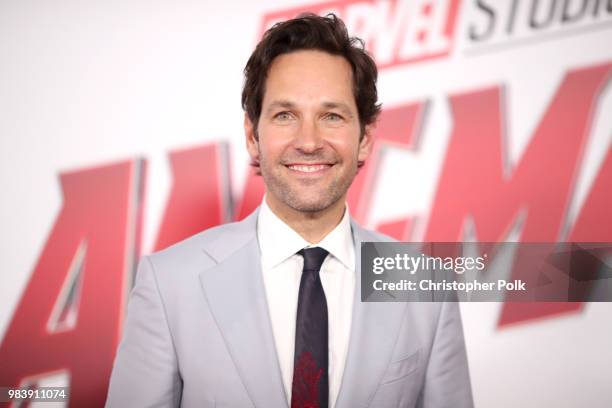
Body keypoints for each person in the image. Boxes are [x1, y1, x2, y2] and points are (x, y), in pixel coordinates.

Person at [106, 13, 473, 408]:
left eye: (331, 116)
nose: (309, 141)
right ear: (252, 135)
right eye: (285, 116)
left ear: (365, 138)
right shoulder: (170, 284)